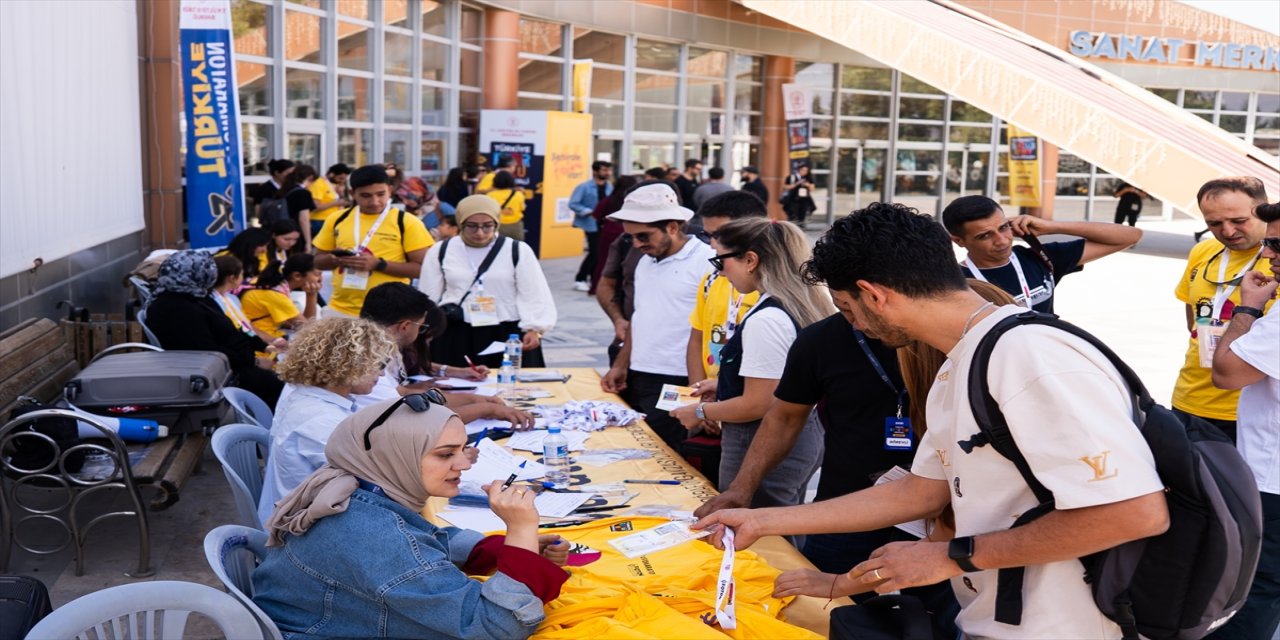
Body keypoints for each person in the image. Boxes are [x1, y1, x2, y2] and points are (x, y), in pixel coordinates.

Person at [694, 202, 1169, 639]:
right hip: (1000, 617)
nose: (853, 326)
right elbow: (920, 491)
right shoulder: (960, 361)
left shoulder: (1026, 356)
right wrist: (761, 519)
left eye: (846, 309)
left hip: (1066, 624)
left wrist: (950, 556)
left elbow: (1133, 511)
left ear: (872, 295)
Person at [253, 395, 570, 638]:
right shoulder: (374, 535)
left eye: (463, 448)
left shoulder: (359, 486)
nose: (463, 463)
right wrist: (521, 529)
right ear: (396, 455)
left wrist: (510, 550)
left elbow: (422, 540)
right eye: (446, 454)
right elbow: (495, 628)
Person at [670, 217, 832, 510]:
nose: (719, 274)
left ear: (750, 260)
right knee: (783, 527)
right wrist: (724, 383)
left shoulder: (767, 319)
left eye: (720, 262)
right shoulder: (796, 305)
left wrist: (700, 411)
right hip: (798, 439)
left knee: (761, 536)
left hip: (761, 445)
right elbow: (784, 377)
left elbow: (758, 404)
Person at [1209, 201, 1280, 640]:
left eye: (1275, 243)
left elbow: (1226, 372)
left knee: (1255, 589)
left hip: (1271, 481)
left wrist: (1248, 309)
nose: (1268, 254)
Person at [601, 183, 715, 450]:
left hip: (678, 379)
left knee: (665, 460)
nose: (637, 244)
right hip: (638, 376)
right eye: (630, 237)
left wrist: (700, 393)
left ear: (673, 227)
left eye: (643, 236)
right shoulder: (645, 261)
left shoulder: (706, 262)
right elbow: (641, 318)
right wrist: (621, 364)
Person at [257, 316, 397, 524]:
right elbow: (376, 483)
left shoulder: (309, 398)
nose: (383, 372)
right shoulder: (322, 420)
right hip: (303, 535)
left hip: (302, 518)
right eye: (379, 363)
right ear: (350, 362)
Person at [1173, 176, 1274, 440]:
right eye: (1214, 223)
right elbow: (1193, 317)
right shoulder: (1203, 251)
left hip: (1249, 411)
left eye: (1239, 221)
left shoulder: (1275, 263)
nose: (1227, 231)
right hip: (1189, 400)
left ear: (1263, 209)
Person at [356, 282, 531, 428]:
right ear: (405, 326)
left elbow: (401, 394)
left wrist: (473, 400)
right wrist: (487, 409)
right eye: (421, 327)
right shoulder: (367, 363)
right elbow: (417, 420)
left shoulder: (366, 347)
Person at [941, 195, 1141, 313]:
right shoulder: (956, 283)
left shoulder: (1040, 257)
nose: (1001, 240)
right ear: (959, 241)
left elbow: (1130, 236)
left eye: (1003, 227)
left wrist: (1051, 226)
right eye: (985, 236)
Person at [419, 196, 554, 369]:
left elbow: (534, 292)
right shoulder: (442, 250)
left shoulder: (517, 250)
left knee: (511, 386)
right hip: (456, 329)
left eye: (487, 226)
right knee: (456, 387)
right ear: (460, 223)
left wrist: (534, 328)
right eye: (472, 226)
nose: (480, 232)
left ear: (496, 223)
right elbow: (428, 294)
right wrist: (426, 329)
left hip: (506, 330)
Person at [144, 250, 284, 408]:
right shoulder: (176, 309)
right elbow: (205, 350)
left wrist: (263, 346)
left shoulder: (194, 295)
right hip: (223, 374)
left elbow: (231, 330)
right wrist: (255, 361)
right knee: (282, 388)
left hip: (235, 363)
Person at [313, 164, 434, 318]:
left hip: (390, 313)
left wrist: (378, 264)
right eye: (366, 196)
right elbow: (318, 261)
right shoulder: (337, 219)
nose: (375, 201)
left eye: (381, 194)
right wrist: (334, 259)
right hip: (341, 310)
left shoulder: (406, 221)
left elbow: (423, 269)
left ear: (390, 191)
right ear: (352, 193)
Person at [686, 192, 767, 386]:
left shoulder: (771, 290)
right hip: (713, 395)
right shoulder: (712, 279)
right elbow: (696, 339)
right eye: (707, 235)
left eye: (720, 234)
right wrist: (697, 394)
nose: (713, 243)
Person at [240, 253, 321, 341]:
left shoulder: (267, 282)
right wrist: (312, 294)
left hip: (257, 334)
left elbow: (295, 323)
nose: (320, 279)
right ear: (297, 276)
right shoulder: (276, 295)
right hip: (261, 343)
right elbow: (307, 328)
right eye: (317, 274)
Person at [210, 255, 279, 347]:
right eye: (242, 274)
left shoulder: (232, 299)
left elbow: (247, 327)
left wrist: (275, 341)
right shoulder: (212, 303)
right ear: (232, 278)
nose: (243, 277)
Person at [590, 174, 641, 296]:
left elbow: (595, 215)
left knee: (603, 261)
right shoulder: (635, 202)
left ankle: (596, 287)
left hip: (608, 232)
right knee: (629, 261)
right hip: (629, 233)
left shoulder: (609, 199)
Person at [569, 160, 613, 292]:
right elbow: (573, 203)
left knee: (599, 252)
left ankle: (592, 278)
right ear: (595, 171)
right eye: (604, 170)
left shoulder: (609, 187)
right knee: (595, 252)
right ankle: (580, 279)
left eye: (608, 170)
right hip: (590, 223)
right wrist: (587, 211)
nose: (607, 173)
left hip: (605, 224)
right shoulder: (584, 187)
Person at [278, 164, 319, 250]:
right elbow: (303, 220)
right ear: (310, 177)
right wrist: (308, 241)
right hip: (295, 234)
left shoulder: (284, 189)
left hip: (280, 232)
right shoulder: (303, 193)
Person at [308, 163, 352, 238]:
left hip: (333, 219)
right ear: (331, 174)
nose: (342, 181)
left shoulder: (332, 184)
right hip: (320, 221)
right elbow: (315, 206)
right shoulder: (319, 184)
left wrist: (341, 194)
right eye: (340, 178)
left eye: (344, 179)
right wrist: (336, 203)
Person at [487, 171, 527, 241]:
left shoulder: (490, 195)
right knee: (516, 249)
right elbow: (522, 208)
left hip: (497, 227)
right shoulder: (518, 194)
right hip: (515, 227)